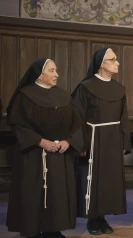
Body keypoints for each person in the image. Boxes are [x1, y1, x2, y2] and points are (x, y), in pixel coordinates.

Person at [6, 58, 83, 238]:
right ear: (40, 74)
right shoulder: (25, 95)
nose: (57, 74)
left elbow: (78, 124)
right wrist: (39, 141)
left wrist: (69, 141)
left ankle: (53, 229)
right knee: (33, 193)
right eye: (52, 71)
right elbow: (17, 124)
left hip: (59, 154)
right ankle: (32, 230)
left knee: (58, 194)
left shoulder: (64, 96)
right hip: (33, 154)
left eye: (56, 70)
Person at [72, 48, 131, 235]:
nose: (117, 63)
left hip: (113, 140)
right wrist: (80, 143)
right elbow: (77, 117)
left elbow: (124, 118)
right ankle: (92, 219)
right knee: (92, 178)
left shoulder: (119, 89)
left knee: (108, 180)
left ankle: (103, 218)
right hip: (92, 139)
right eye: (113, 60)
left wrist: (124, 142)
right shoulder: (86, 87)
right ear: (101, 64)